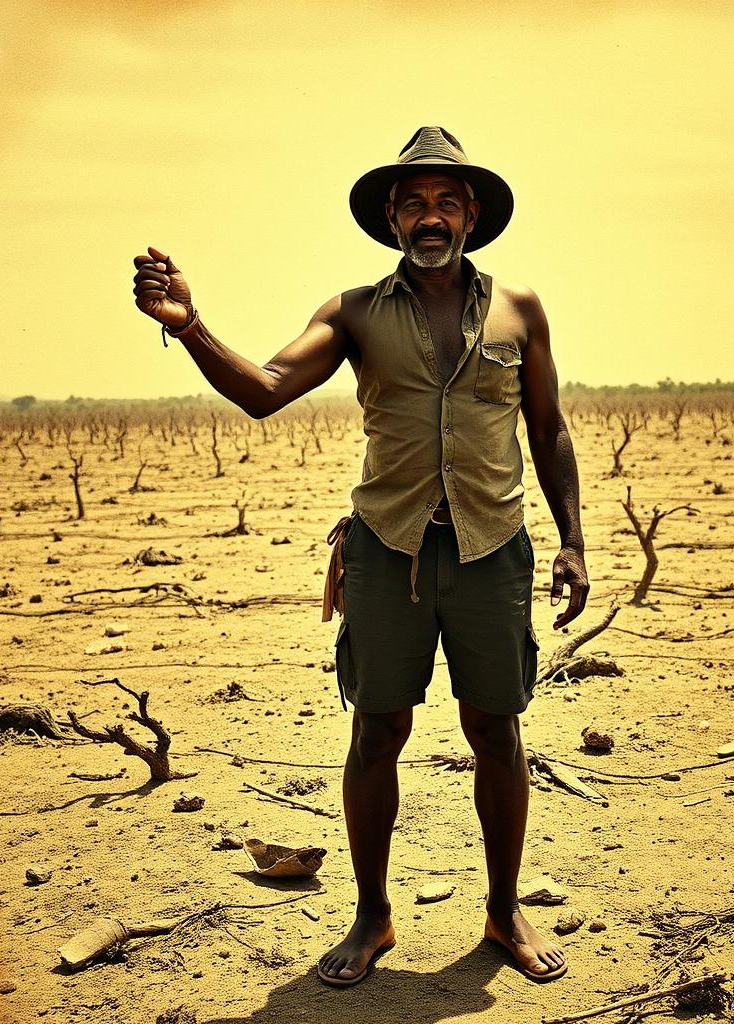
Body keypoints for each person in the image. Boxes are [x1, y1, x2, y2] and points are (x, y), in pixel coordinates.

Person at [132, 126, 589, 986]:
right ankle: (373, 917)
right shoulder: (352, 313)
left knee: (497, 728)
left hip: (494, 548)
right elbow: (265, 390)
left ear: (472, 214)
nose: (430, 216)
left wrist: (571, 539)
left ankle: (503, 910)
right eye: (413, 202)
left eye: (446, 201)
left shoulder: (520, 308)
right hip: (389, 551)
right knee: (377, 730)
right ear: (390, 217)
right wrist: (190, 326)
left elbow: (549, 425)